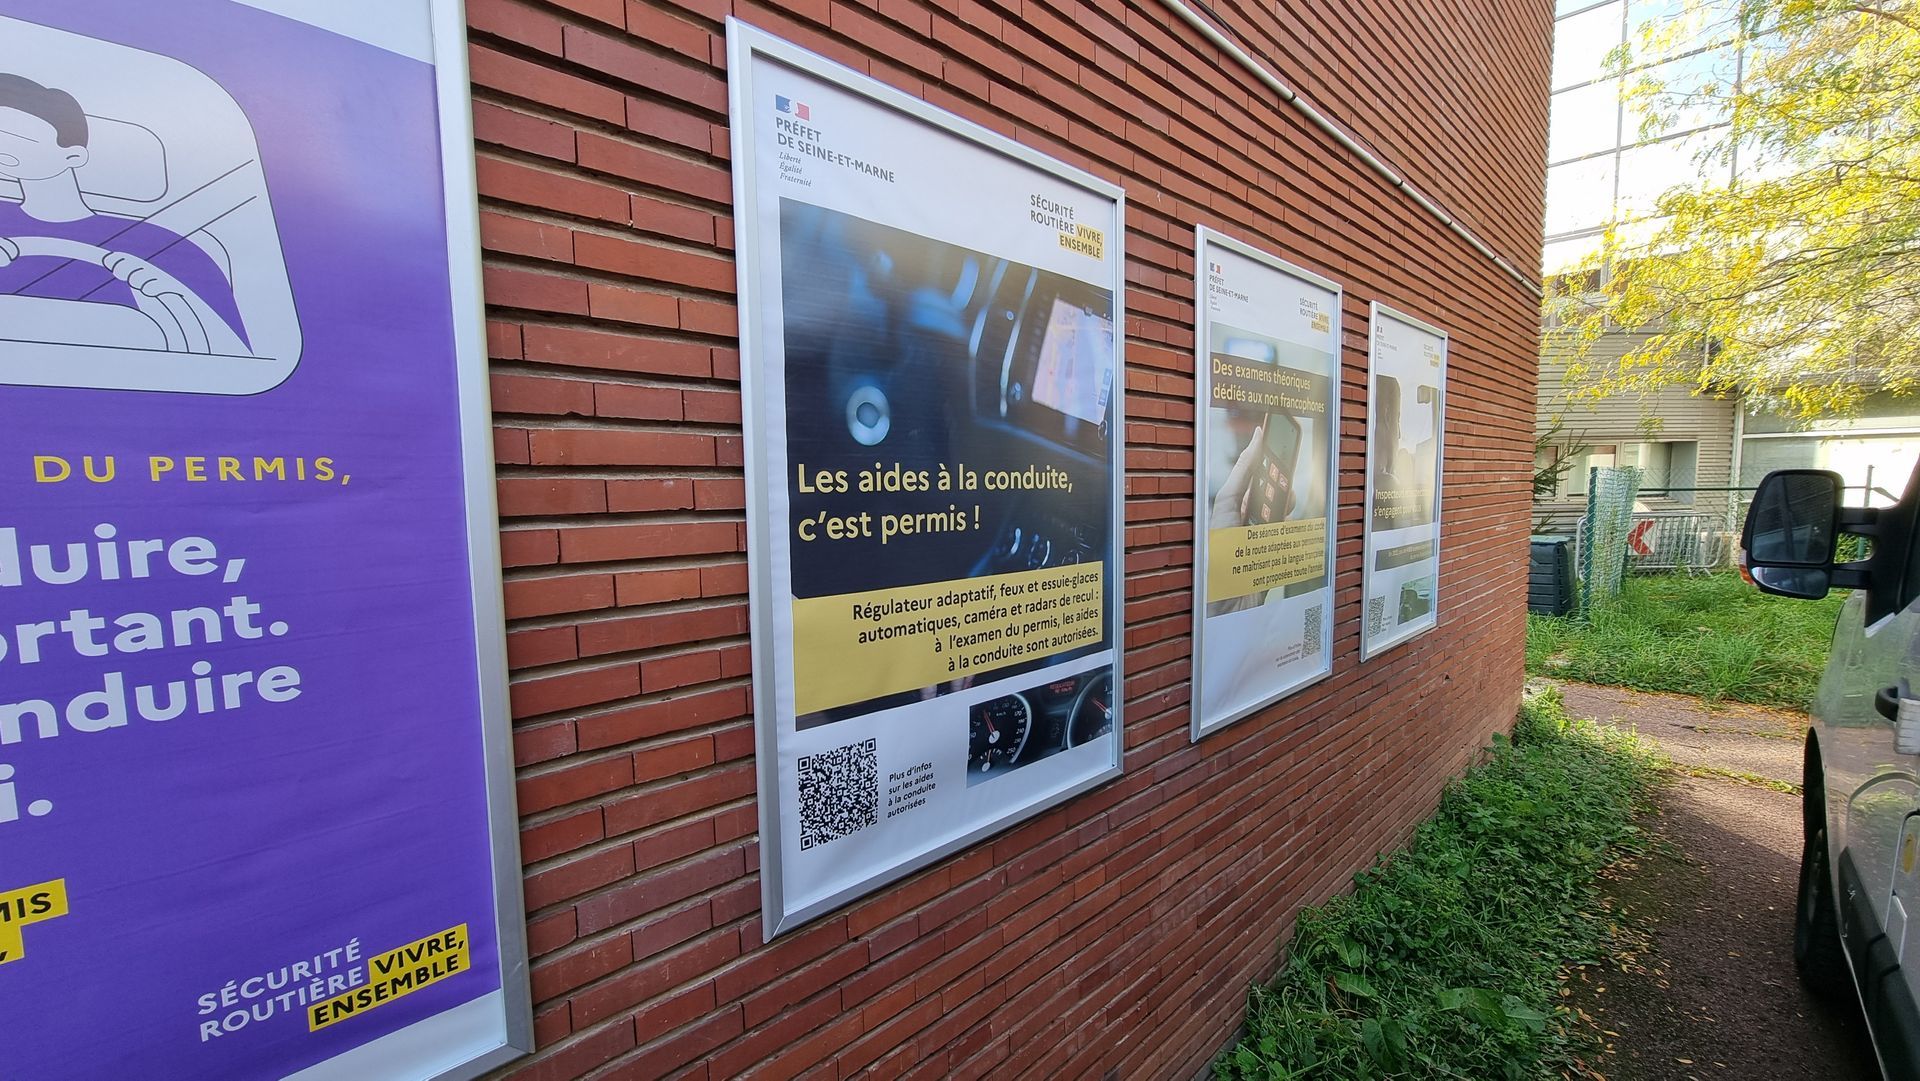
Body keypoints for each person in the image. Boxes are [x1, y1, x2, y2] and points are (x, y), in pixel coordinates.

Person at [0, 73, 249, 351]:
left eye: (15, 137)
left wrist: (166, 291)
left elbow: (232, 353)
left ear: (73, 156)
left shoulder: (164, 247)